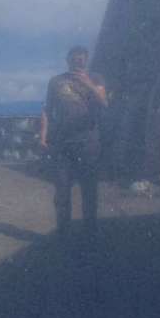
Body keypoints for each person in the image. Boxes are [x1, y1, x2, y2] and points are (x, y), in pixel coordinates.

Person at [40, 46, 107, 235]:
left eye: (82, 59)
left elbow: (104, 103)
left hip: (88, 141)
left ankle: (90, 232)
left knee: (89, 189)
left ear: (86, 60)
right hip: (63, 142)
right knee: (62, 189)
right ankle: (63, 232)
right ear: (68, 60)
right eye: (75, 59)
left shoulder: (95, 78)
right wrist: (43, 134)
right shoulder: (56, 81)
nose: (79, 62)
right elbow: (47, 110)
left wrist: (88, 84)